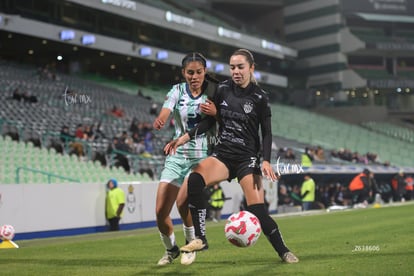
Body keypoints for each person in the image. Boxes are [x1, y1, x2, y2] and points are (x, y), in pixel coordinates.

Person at [165, 49, 299, 264]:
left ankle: (283, 251)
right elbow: (210, 121)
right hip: (223, 155)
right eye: (232, 67)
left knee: (257, 210)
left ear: (251, 68)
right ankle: (201, 239)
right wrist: (184, 138)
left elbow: (267, 132)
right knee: (195, 179)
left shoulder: (260, 98)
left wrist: (265, 159)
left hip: (248, 159)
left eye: (241, 67)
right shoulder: (222, 90)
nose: (236, 71)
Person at [152, 52, 218, 266]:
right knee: (161, 212)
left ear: (204, 72)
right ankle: (171, 249)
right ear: (183, 73)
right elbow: (166, 110)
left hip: (201, 158)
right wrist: (161, 119)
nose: (195, 76)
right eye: (190, 72)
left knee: (182, 204)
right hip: (177, 155)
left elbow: (222, 119)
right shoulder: (177, 90)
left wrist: (217, 112)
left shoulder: (213, 92)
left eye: (199, 72)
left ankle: (191, 243)